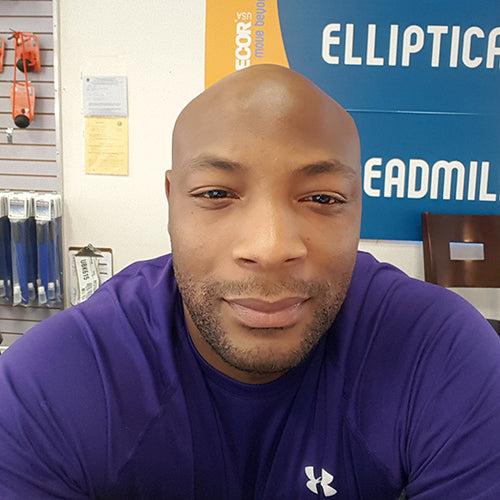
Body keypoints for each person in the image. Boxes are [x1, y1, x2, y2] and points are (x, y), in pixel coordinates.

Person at [0, 64, 499, 500]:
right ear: (171, 202)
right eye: (216, 194)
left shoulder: (441, 352)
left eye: (323, 198)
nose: (270, 247)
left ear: (358, 208)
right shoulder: (53, 384)